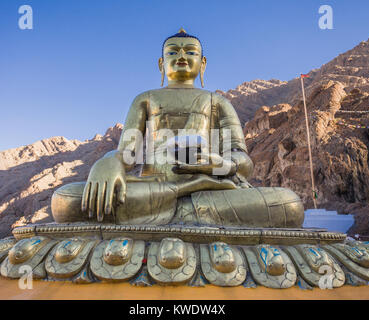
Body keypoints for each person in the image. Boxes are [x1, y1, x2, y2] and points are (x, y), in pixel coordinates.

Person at [51, 29, 304, 228]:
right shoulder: (145, 99)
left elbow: (243, 162)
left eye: (190, 52)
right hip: (152, 188)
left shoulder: (217, 102)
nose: (182, 56)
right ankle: (184, 200)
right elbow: (127, 155)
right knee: (66, 200)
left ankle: (179, 203)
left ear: (202, 64)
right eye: (173, 52)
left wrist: (217, 164)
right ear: (161, 64)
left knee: (289, 204)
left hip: (210, 190)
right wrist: (108, 162)